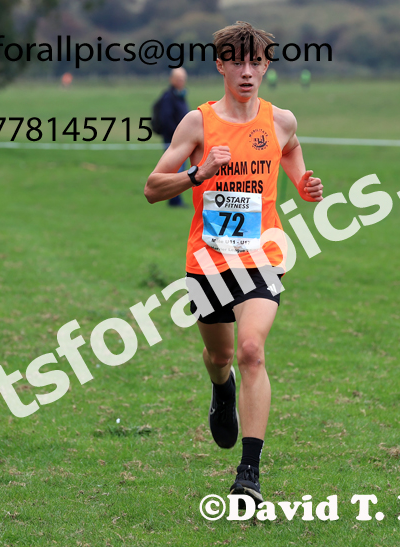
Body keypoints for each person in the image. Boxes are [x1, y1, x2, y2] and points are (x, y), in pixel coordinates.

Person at [144, 21, 323, 505]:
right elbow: (152, 188)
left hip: (262, 258)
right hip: (208, 264)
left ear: (265, 65)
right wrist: (199, 172)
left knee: (251, 351)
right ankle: (220, 390)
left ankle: (249, 473)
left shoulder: (280, 120)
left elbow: (293, 155)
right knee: (221, 357)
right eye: (236, 61)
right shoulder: (198, 123)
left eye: (255, 62)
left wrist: (304, 183)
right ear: (220, 64)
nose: (247, 71)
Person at [158, 68, 190, 208]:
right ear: (172, 80)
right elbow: (165, 118)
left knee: (181, 168)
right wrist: (178, 134)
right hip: (173, 139)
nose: (181, 81)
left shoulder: (180, 95)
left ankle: (176, 198)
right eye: (178, 79)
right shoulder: (169, 97)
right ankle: (174, 199)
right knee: (175, 170)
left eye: (183, 79)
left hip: (183, 140)